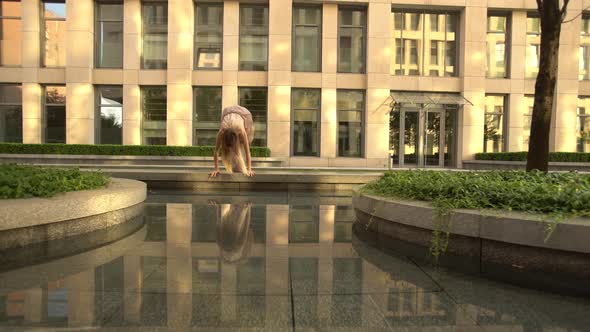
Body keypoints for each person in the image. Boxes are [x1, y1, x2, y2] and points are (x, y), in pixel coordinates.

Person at [209, 105, 255, 177]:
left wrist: (249, 169)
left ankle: (240, 168)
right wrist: (216, 169)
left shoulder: (242, 131)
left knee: (239, 151)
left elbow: (247, 152)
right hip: (228, 115)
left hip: (244, 115)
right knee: (230, 153)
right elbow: (216, 152)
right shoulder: (221, 132)